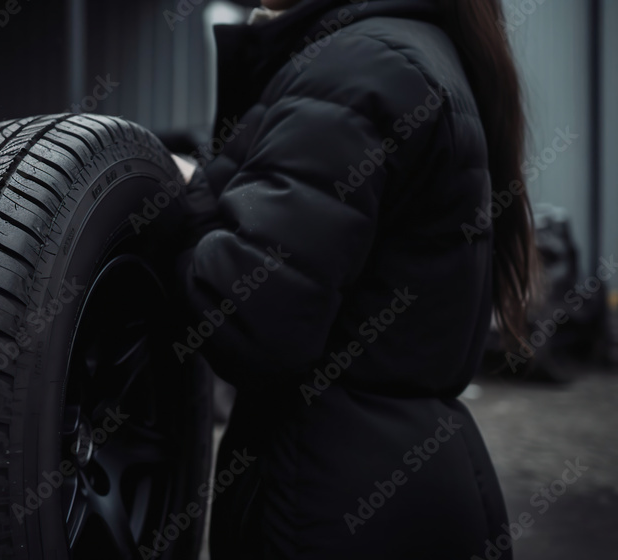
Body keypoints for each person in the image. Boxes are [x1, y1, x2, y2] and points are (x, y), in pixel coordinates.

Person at [170, 0, 535, 558]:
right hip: (410, 478)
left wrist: (172, 209)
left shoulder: (356, 65)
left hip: (328, 502)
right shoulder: (411, 50)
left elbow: (251, 320)